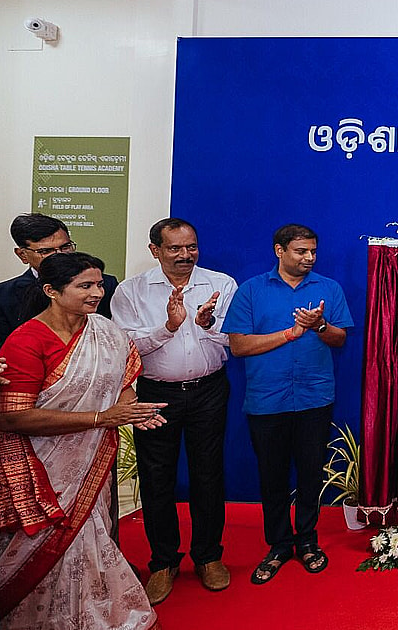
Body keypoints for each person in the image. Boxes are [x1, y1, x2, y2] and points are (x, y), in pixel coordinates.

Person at [0, 252, 165, 629]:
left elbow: (123, 381)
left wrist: (128, 410)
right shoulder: (26, 340)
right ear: (51, 290)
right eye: (85, 286)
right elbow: (9, 416)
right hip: (37, 472)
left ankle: (100, 619)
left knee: (94, 541)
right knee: (47, 552)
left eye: (99, 284)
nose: (97, 292)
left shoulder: (106, 332)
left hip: (89, 466)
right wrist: (101, 418)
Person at [110, 217, 237, 604]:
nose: (185, 255)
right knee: (156, 476)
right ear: (155, 250)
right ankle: (163, 562)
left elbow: (237, 338)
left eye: (191, 247)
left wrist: (207, 323)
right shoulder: (131, 292)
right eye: (175, 248)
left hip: (209, 390)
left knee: (208, 474)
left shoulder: (222, 284)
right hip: (155, 394)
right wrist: (168, 326)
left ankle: (208, 557)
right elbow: (126, 348)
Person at [223, 223, 352, 585]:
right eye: (300, 251)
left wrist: (320, 326)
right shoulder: (251, 290)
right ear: (279, 250)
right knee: (273, 476)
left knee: (311, 474)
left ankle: (308, 542)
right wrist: (290, 333)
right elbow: (239, 347)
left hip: (315, 398)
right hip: (267, 400)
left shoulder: (328, 288)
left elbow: (340, 339)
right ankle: (279, 545)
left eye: (313, 251)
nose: (309, 258)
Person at [0, 214, 120, 360]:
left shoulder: (107, 285)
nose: (59, 256)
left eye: (65, 247)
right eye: (45, 251)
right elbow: (2, 358)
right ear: (22, 255)